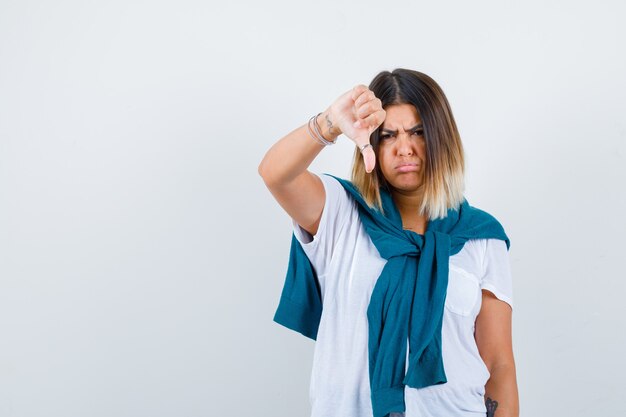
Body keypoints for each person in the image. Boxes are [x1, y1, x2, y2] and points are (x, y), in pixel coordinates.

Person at [258, 68, 519, 417]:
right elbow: (276, 173)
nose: (404, 148)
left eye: (418, 132)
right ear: (372, 143)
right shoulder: (341, 212)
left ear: (442, 139)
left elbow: (498, 364)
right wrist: (331, 123)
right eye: (388, 135)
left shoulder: (482, 236)